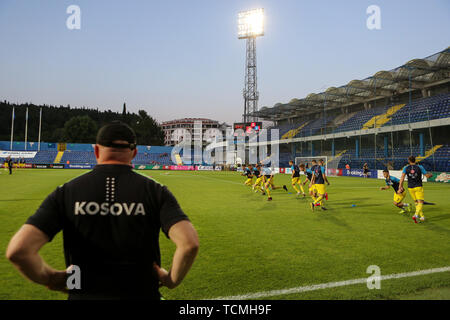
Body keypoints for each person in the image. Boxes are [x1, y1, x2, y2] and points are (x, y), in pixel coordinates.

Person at [6, 121, 199, 300]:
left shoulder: (66, 192)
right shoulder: (156, 191)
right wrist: (170, 280)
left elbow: (19, 250)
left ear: (96, 150)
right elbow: (189, 243)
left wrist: (52, 279)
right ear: (134, 153)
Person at [398, 156, 433, 223]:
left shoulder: (405, 168)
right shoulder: (420, 167)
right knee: (420, 202)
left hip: (410, 187)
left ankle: (422, 216)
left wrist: (400, 187)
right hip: (418, 186)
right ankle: (416, 215)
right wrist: (430, 175)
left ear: (409, 161)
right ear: (415, 160)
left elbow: (402, 178)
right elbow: (427, 176)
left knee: (416, 202)